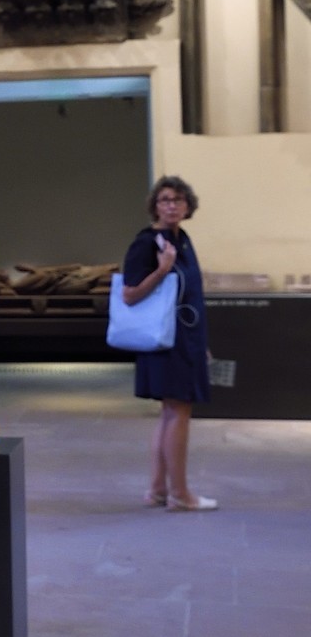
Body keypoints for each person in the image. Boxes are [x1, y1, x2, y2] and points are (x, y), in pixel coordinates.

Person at [121, 175, 214, 511]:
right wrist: (161, 271)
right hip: (164, 340)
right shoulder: (147, 243)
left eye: (178, 199)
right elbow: (129, 295)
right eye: (165, 200)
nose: (172, 205)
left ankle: (158, 490)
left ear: (188, 205)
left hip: (185, 338)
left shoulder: (182, 239)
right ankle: (181, 494)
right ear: (155, 206)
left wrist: (200, 342)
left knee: (169, 413)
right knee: (178, 412)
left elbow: (190, 295)